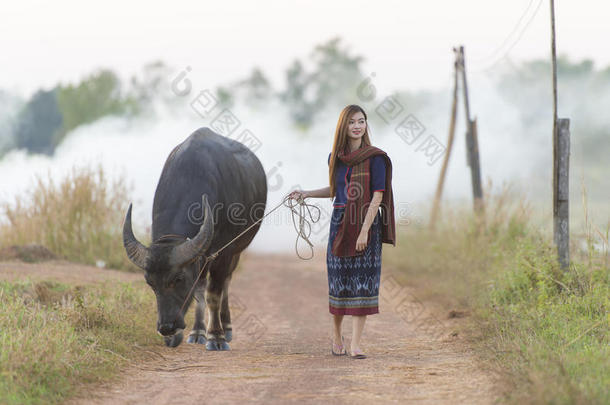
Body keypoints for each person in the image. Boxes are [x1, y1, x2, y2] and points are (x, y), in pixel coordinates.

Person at [288, 104, 396, 359]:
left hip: (366, 224)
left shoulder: (376, 158)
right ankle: (336, 336)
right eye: (352, 122)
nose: (358, 126)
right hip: (339, 222)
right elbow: (335, 191)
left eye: (361, 121)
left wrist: (364, 232)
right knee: (339, 282)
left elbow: (377, 197)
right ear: (343, 127)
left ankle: (356, 344)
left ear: (366, 125)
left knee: (364, 284)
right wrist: (306, 193)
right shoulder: (334, 158)